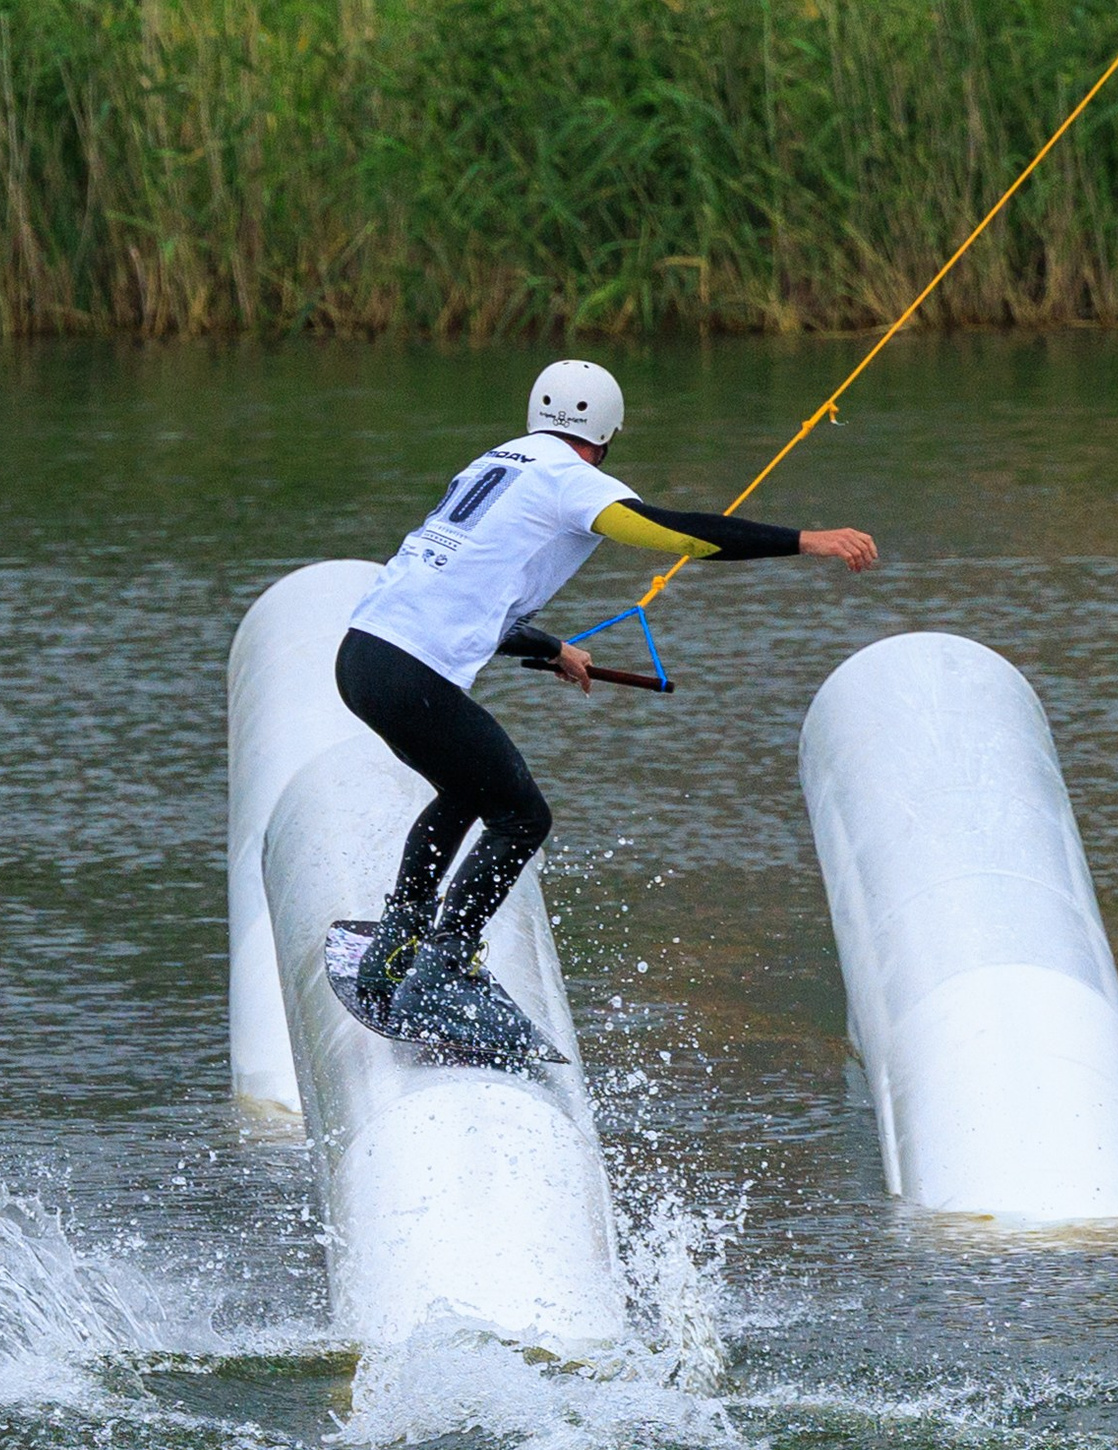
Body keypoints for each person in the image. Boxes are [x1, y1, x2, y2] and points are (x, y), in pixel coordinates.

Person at [336, 358, 877, 1051]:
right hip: (409, 671)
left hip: (363, 655)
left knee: (467, 789)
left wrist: (551, 645)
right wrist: (806, 541)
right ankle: (442, 971)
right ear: (606, 435)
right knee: (521, 816)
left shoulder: (495, 464)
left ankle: (397, 945)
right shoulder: (570, 480)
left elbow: (460, 587)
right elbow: (679, 536)